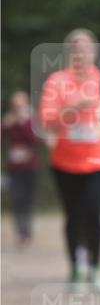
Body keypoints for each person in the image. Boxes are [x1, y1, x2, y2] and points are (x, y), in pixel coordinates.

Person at [38, 30, 100, 290]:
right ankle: (75, 266)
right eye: (76, 49)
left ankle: (95, 267)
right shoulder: (57, 81)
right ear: (69, 53)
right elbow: (46, 119)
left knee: (94, 211)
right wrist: (73, 108)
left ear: (94, 52)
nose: (81, 53)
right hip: (65, 159)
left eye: (86, 48)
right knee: (73, 215)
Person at [2, 91, 39, 247]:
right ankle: (20, 233)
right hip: (14, 167)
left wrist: (22, 123)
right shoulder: (8, 121)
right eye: (15, 105)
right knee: (17, 199)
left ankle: (27, 231)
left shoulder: (32, 120)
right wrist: (4, 125)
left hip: (30, 166)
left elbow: (34, 140)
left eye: (20, 105)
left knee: (28, 200)